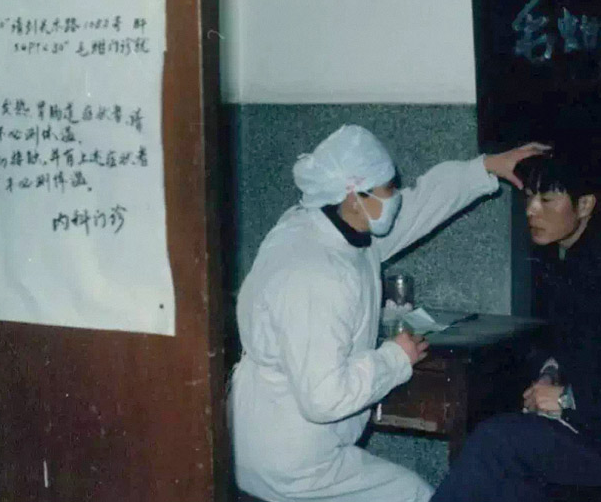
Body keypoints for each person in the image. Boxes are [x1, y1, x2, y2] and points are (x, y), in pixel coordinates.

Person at [228, 124, 548, 502]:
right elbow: (324, 397)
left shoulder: (324, 224)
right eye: (388, 190)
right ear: (353, 194)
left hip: (274, 438)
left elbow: (417, 208)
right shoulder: (315, 273)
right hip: (291, 464)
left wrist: (486, 167)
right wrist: (396, 357)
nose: (396, 197)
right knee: (415, 495)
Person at [431, 145, 601, 502]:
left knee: (496, 443)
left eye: (547, 200)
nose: (531, 211)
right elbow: (572, 343)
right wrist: (551, 374)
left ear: (585, 205)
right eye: (529, 197)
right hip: (600, 428)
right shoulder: (575, 254)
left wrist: (567, 397)